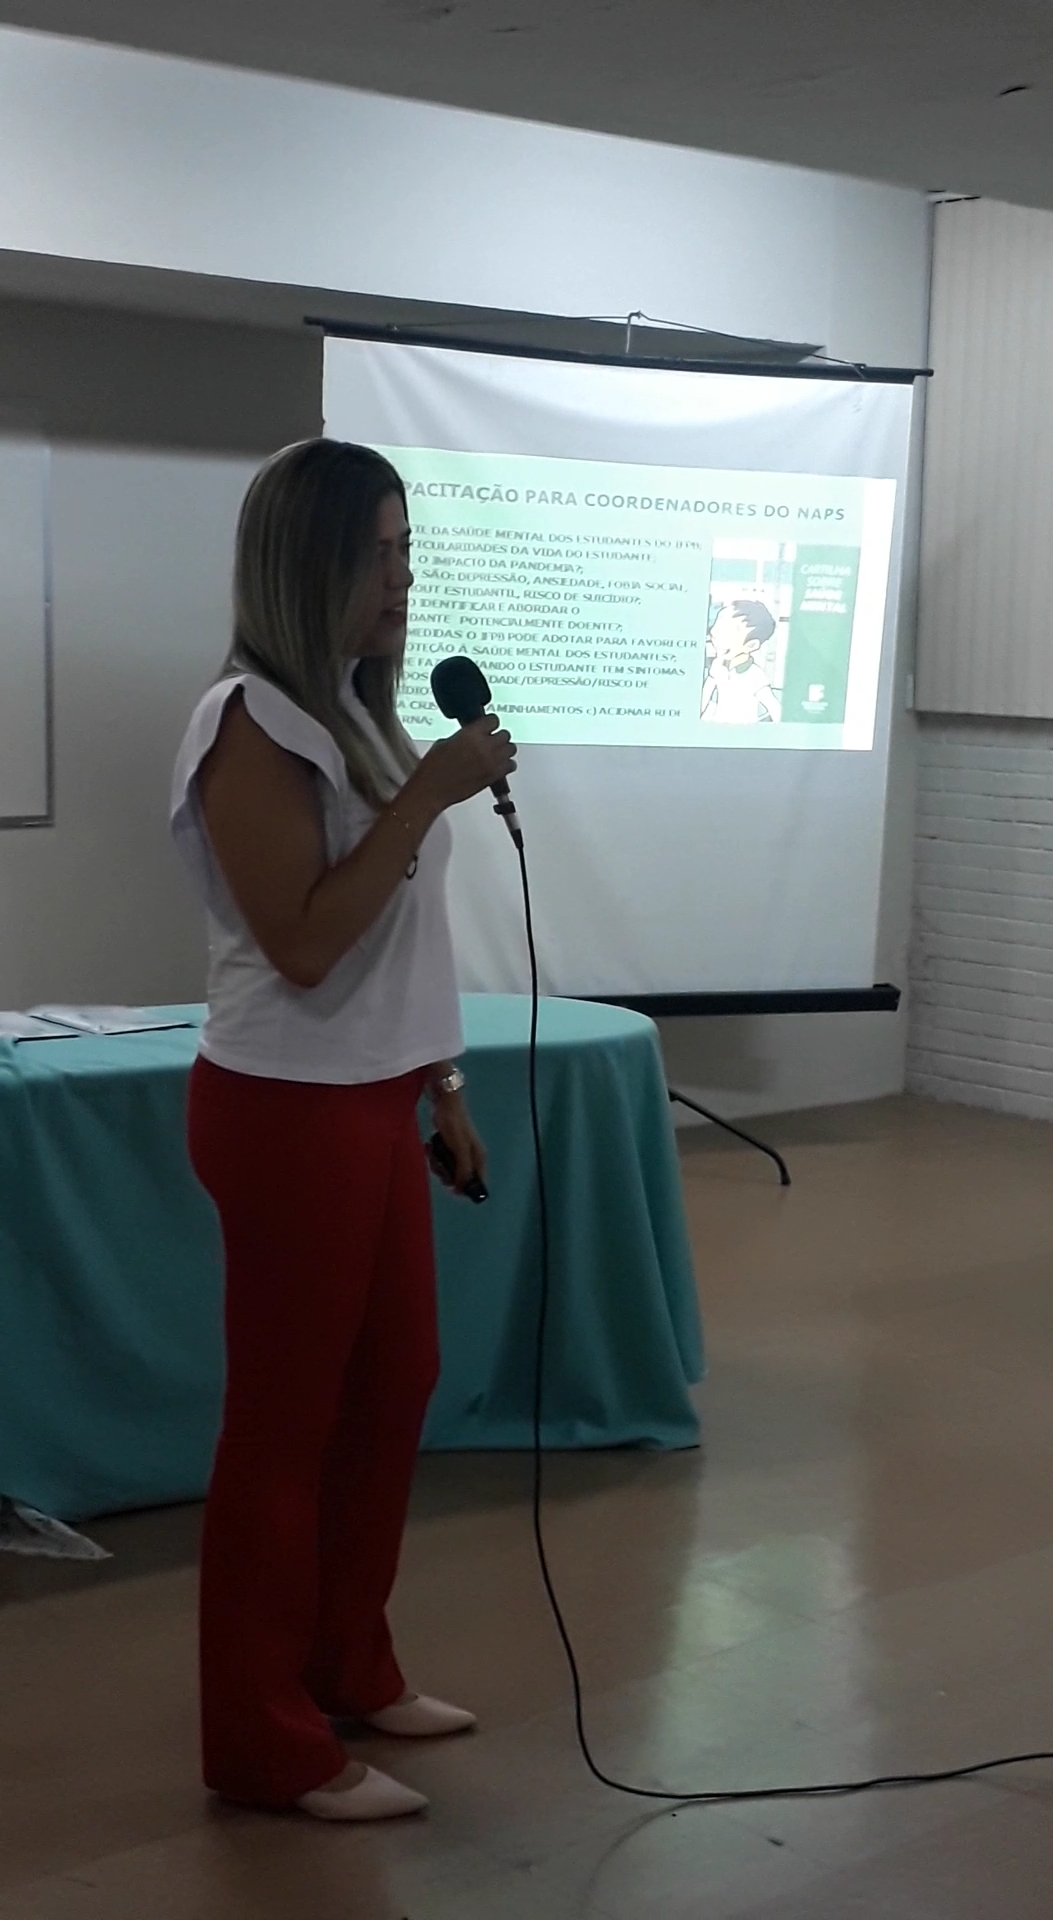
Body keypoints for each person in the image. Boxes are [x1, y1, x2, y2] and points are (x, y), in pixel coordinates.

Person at [169, 439, 516, 1823]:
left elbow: (405, 940)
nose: (402, 580)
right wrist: (429, 795)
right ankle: (262, 1741)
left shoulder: (362, 718)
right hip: (284, 1106)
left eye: (406, 549)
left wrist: (444, 1086)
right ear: (307, 566)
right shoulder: (249, 723)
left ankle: (347, 1665)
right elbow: (309, 945)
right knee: (286, 1426)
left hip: (375, 1097)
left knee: (394, 1386)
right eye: (376, 554)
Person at [700, 599, 781, 725]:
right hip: (717, 724)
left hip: (742, 730)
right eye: (719, 622)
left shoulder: (754, 674)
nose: (714, 631)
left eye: (729, 630)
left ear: (751, 645)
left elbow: (772, 705)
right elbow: (706, 692)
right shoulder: (718, 664)